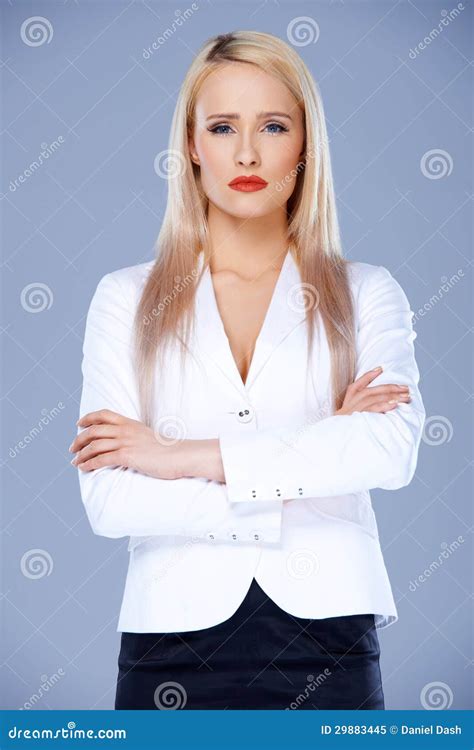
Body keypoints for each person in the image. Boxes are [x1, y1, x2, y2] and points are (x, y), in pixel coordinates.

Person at [69, 31, 426, 710]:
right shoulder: (124, 298)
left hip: (330, 641)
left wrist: (176, 455)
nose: (248, 153)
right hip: (168, 643)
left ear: (305, 145)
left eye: (273, 125)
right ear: (192, 146)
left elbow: (387, 449)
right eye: (223, 126)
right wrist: (311, 463)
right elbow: (110, 499)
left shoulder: (367, 293)